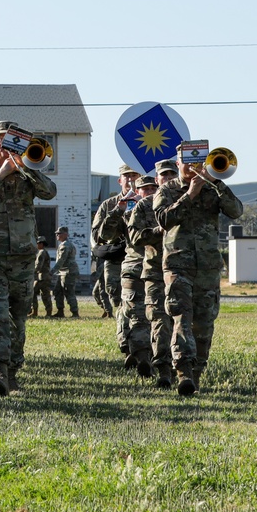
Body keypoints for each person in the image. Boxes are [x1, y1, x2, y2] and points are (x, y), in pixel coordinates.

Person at [0, 120, 58, 394]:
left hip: (22, 255)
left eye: (12, 139)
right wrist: (1, 173)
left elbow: (49, 191)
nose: (5, 143)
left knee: (18, 318)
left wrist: (24, 167)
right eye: (1, 138)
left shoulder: (27, 171)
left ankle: (11, 373)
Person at [154, 148, 243, 396]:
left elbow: (236, 211)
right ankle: (183, 373)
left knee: (204, 324)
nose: (192, 168)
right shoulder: (167, 189)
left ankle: (197, 375)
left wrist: (216, 183)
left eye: (197, 163)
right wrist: (190, 194)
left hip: (207, 267)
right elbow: (163, 219)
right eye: (187, 163)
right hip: (177, 266)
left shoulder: (213, 187)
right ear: (179, 162)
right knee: (182, 318)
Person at [128, 159, 178, 388]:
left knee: (181, 321)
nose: (167, 179)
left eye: (171, 175)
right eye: (163, 175)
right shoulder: (143, 206)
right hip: (156, 272)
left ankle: (184, 367)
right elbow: (135, 237)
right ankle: (163, 370)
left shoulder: (186, 201)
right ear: (156, 179)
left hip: (182, 271)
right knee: (159, 320)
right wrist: (159, 230)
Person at [102, 175, 158, 377]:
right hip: (134, 268)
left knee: (158, 316)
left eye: (153, 188)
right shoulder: (129, 211)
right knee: (135, 314)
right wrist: (119, 210)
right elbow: (105, 234)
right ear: (138, 191)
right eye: (145, 189)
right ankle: (142, 356)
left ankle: (148, 356)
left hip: (159, 269)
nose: (150, 192)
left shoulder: (165, 209)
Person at [92, 165, 141, 338]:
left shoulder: (147, 200)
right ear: (120, 180)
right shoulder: (108, 205)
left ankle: (133, 340)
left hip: (140, 258)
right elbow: (97, 235)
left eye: (134, 175)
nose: (131, 179)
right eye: (126, 176)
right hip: (116, 259)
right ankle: (126, 338)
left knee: (140, 300)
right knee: (117, 299)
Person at [52, 226, 80, 317]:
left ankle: (75, 312)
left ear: (65, 234)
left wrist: (52, 271)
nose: (57, 235)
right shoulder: (64, 244)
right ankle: (60, 311)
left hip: (68, 272)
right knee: (57, 291)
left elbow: (61, 260)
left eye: (59, 233)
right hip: (62, 272)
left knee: (69, 292)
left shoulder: (65, 245)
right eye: (56, 234)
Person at [31, 236, 53, 318]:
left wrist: (31, 272)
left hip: (43, 277)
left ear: (41, 244)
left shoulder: (41, 253)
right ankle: (35, 311)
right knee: (34, 293)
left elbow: (38, 266)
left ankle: (48, 312)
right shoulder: (41, 252)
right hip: (41, 277)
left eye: (37, 243)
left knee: (45, 295)